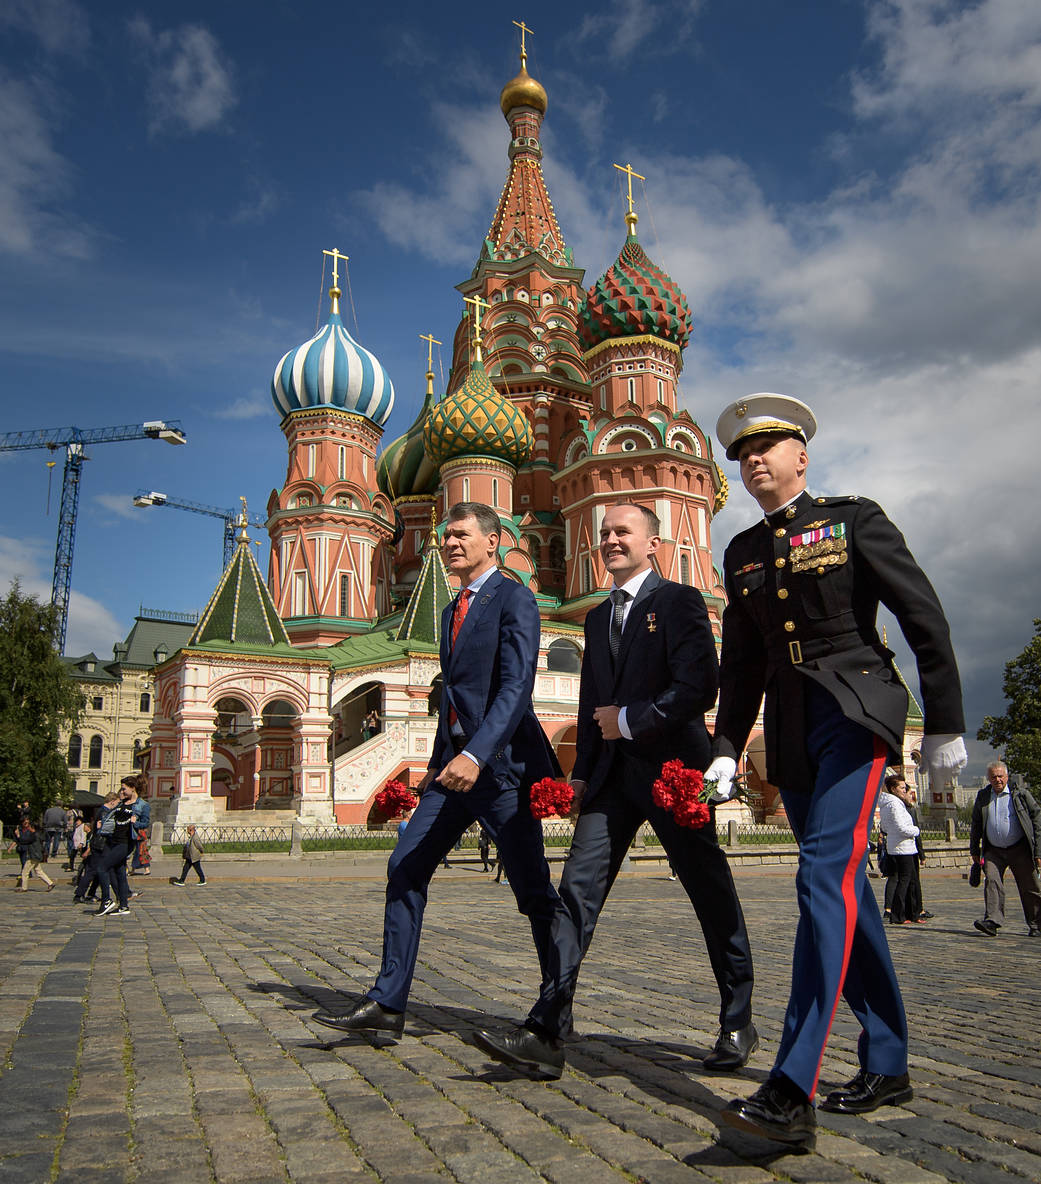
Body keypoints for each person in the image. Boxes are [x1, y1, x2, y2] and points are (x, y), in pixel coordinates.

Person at [708, 394, 967, 1147]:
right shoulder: (742, 551)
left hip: (854, 712)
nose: (754, 461)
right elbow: (743, 660)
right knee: (843, 887)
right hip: (788, 731)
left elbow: (922, 614)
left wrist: (944, 717)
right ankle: (886, 1061)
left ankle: (790, 1087)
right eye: (741, 454)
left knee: (822, 877)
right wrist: (727, 744)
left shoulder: (854, 519)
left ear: (801, 456)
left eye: (768, 447)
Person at [475, 502, 757, 1080]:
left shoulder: (679, 602)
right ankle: (548, 1029)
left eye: (622, 532)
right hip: (610, 782)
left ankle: (738, 1016)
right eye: (603, 533)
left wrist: (630, 720)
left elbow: (699, 686)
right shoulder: (596, 619)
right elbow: (588, 703)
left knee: (708, 890)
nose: (609, 541)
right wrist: (580, 774)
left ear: (654, 544)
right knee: (577, 892)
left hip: (675, 773)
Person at [311, 502, 569, 1044]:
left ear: (493, 541)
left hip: (499, 771)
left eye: (461, 534)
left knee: (532, 892)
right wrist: (435, 764)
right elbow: (450, 697)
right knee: (405, 867)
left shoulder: (514, 598)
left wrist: (475, 755)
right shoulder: (453, 607)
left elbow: (515, 688)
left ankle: (556, 1008)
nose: (450, 543)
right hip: (452, 774)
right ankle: (387, 1003)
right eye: (445, 535)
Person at [969, 761, 1041, 937]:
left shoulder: (1021, 795)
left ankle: (1037, 924)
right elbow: (976, 823)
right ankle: (993, 921)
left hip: (1020, 849)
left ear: (1007, 777)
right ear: (988, 778)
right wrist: (974, 850)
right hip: (993, 851)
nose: (997, 780)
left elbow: (1037, 819)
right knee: (992, 881)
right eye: (993, 776)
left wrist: (1038, 851)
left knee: (1030, 887)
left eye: (1000, 776)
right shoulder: (983, 796)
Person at [878, 776, 920, 925]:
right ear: (893, 789)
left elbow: (884, 827)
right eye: (902, 788)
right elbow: (901, 827)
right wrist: (916, 831)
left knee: (906, 880)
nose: (904, 790)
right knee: (904, 880)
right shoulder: (894, 805)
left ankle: (909, 913)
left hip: (897, 845)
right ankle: (897, 915)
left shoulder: (887, 804)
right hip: (903, 847)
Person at [13, 819, 55, 892]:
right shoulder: (37, 834)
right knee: (39, 871)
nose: (28, 827)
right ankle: (50, 883)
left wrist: (18, 836)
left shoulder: (34, 835)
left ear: (32, 828)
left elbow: (24, 841)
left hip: (33, 856)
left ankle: (24, 888)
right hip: (37, 855)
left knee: (24, 872)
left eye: (29, 826)